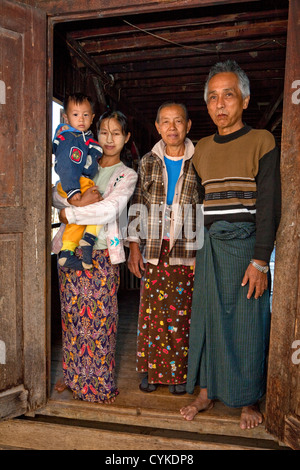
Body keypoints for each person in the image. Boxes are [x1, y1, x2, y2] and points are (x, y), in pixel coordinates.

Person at [180, 60, 281, 429]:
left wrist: (260, 261)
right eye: (212, 97)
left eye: (228, 95)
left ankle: (247, 398)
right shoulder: (201, 149)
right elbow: (196, 204)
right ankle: (206, 392)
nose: (220, 104)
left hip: (246, 248)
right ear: (206, 105)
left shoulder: (262, 140)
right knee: (207, 319)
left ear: (245, 99)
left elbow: (270, 206)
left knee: (248, 323)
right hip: (210, 247)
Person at [52, 110, 138, 404]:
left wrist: (70, 211)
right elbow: (56, 191)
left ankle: (99, 384)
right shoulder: (83, 161)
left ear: (126, 139)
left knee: (101, 320)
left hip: (101, 253)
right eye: (104, 132)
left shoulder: (127, 174)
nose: (109, 139)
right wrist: (73, 200)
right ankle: (73, 375)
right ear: (95, 133)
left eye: (116, 133)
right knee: (73, 318)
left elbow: (109, 209)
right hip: (71, 249)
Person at [127, 101, 202, 395]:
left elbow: (202, 207)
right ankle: (151, 370)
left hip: (185, 247)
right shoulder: (147, 161)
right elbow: (138, 205)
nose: (172, 127)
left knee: (182, 314)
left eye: (178, 121)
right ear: (158, 127)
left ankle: (178, 374)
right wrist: (134, 247)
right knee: (152, 311)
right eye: (166, 122)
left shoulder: (200, 159)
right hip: (155, 246)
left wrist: (198, 253)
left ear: (188, 125)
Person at [53, 93, 103, 270]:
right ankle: (88, 240)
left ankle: (67, 252)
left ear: (92, 117)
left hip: (75, 183)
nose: (81, 119)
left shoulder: (83, 138)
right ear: (66, 117)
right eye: (75, 115)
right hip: (74, 184)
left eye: (86, 115)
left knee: (78, 219)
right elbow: (67, 168)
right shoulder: (70, 139)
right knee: (98, 204)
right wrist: (74, 194)